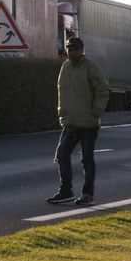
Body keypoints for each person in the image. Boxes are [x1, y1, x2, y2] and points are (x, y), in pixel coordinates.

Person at [47, 36, 109, 206]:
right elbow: (62, 92)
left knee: (87, 159)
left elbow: (102, 90)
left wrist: (95, 112)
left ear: (82, 50)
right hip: (70, 121)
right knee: (61, 155)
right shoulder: (65, 67)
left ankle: (88, 194)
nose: (72, 51)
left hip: (88, 123)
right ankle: (65, 190)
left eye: (75, 48)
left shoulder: (90, 67)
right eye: (69, 48)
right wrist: (62, 113)